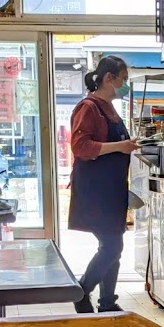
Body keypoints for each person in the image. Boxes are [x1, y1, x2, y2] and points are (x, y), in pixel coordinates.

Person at [68, 55, 139, 313]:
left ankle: (107, 302)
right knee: (112, 245)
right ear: (109, 78)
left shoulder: (110, 108)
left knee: (113, 245)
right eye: (124, 80)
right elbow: (80, 146)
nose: (125, 85)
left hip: (111, 190)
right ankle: (82, 289)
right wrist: (121, 146)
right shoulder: (89, 107)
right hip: (96, 191)